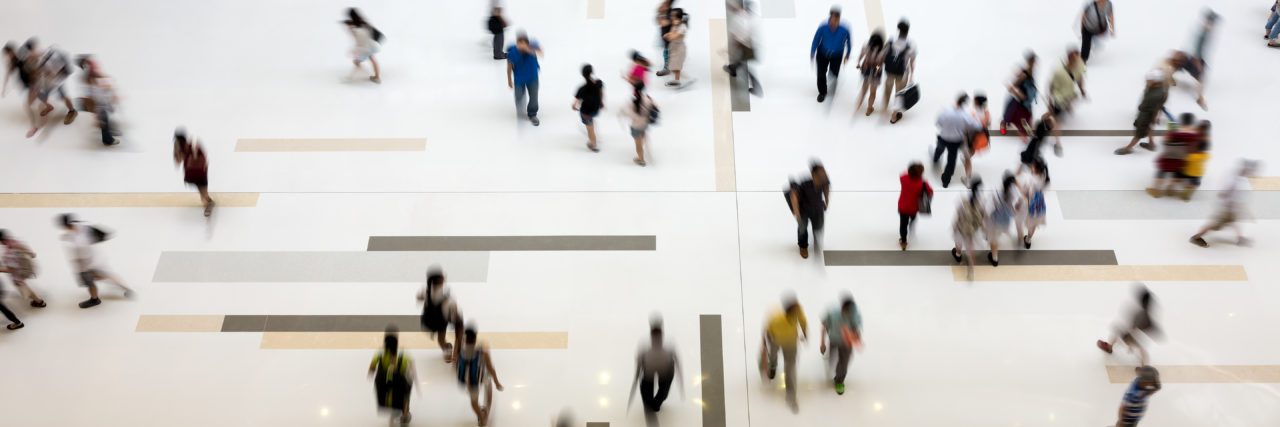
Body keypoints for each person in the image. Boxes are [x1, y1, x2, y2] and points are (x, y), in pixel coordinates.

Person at [58, 213, 133, 308]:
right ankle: (126, 289)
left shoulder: (77, 239)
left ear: (66, 226)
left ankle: (94, 299)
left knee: (91, 283)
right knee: (106, 276)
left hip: (87, 265)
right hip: (96, 260)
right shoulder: (83, 225)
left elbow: (80, 255)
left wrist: (80, 268)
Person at [627, 317, 684, 426]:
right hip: (649, 370)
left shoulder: (668, 345)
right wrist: (636, 378)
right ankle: (651, 411)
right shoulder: (645, 346)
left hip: (666, 370)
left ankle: (655, 404)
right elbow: (639, 362)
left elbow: (677, 361)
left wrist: (680, 381)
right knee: (648, 399)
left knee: (663, 393)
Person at [1190, 160, 1258, 248]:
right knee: (1214, 226)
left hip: (1231, 210)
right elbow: (1224, 194)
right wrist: (1231, 204)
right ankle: (1196, 238)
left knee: (1234, 223)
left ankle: (1240, 239)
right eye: (1251, 171)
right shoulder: (1234, 180)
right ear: (1246, 170)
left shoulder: (1240, 178)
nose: (1252, 173)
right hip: (1225, 210)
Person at [760, 295, 807, 412]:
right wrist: (764, 343)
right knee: (773, 356)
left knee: (790, 369)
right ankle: (772, 367)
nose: (796, 312)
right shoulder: (776, 318)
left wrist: (805, 334)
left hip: (791, 344)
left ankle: (791, 397)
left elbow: (803, 322)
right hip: (775, 340)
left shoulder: (798, 310)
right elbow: (767, 330)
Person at [1096, 285, 1160, 366]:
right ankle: (1109, 347)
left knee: (1141, 351)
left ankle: (1145, 369)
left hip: (1128, 332)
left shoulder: (1141, 312)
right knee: (1117, 334)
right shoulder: (1138, 310)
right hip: (1126, 330)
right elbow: (1129, 325)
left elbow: (1140, 326)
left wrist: (1130, 340)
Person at [27, 41, 79, 138]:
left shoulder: (50, 56)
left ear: (33, 50)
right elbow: (39, 69)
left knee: (64, 97)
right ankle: (49, 107)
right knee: (39, 93)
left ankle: (72, 111)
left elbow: (60, 70)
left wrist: (49, 74)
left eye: (30, 52)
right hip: (48, 81)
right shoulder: (40, 58)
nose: (30, 54)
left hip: (58, 82)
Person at [456, 326, 505, 427]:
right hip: (482, 376)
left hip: (469, 380)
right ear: (475, 339)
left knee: (474, 402)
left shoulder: (460, 349)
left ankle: (481, 419)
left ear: (465, 338)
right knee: (489, 387)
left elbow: (456, 362)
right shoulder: (482, 351)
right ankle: (486, 411)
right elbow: (491, 368)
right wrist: (497, 382)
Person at [933, 92, 983, 188]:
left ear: (956, 101)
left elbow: (938, 123)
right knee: (951, 161)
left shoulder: (945, 111)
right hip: (955, 141)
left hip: (943, 137)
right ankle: (945, 181)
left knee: (939, 148)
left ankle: (936, 158)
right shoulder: (966, 116)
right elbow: (977, 127)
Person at [1114, 71, 1170, 155]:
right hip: (1145, 111)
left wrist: (1154, 118)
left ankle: (1128, 147)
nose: (1146, 80)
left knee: (1139, 132)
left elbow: (1156, 109)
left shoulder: (1156, 94)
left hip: (1146, 115)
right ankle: (1151, 144)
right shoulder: (1153, 87)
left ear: (1155, 81)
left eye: (1149, 79)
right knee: (1149, 127)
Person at [369, 327, 416, 426]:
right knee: (405, 398)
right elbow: (411, 371)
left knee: (389, 394)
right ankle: (405, 417)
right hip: (400, 383)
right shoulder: (404, 355)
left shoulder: (379, 354)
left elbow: (371, 371)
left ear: (385, 343)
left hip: (385, 383)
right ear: (397, 343)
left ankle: (391, 407)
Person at [417, 265, 465, 363]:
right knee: (460, 325)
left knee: (441, 340)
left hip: (432, 321)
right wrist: (457, 318)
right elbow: (455, 314)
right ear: (440, 280)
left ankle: (447, 350)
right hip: (443, 319)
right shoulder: (448, 298)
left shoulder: (426, 291)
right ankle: (457, 352)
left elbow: (419, 297)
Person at [1145, 113, 1198, 198]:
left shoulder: (1174, 132)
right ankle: (1171, 190)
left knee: (1160, 175)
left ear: (1181, 121)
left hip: (1167, 159)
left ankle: (1156, 190)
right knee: (1177, 176)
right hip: (1181, 161)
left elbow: (1164, 140)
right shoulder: (1193, 135)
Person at [1046, 47, 1086, 155]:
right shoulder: (1058, 70)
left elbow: (1079, 77)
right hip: (1059, 97)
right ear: (1068, 57)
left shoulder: (1079, 64)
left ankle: (1059, 111)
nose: (1077, 60)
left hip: (1069, 94)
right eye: (1074, 57)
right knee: (1058, 121)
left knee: (1066, 105)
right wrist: (1049, 101)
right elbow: (1050, 86)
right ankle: (1057, 142)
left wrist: (1082, 89)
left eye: (1077, 57)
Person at [819, 294, 861, 395]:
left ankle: (839, 381)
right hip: (834, 340)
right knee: (831, 357)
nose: (848, 312)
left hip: (847, 343)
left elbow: (856, 329)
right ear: (842, 306)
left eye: (850, 310)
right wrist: (822, 343)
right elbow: (824, 326)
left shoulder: (854, 314)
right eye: (846, 310)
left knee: (844, 362)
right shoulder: (832, 312)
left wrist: (856, 338)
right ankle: (830, 361)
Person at [787, 162, 830, 259]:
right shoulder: (804, 183)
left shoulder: (824, 180)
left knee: (818, 227)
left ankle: (816, 243)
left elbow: (826, 189)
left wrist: (827, 201)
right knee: (802, 229)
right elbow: (794, 194)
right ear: (813, 173)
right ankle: (803, 246)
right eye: (820, 173)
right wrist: (796, 211)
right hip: (804, 210)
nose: (823, 175)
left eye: (823, 172)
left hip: (817, 208)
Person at [76, 55, 121, 146]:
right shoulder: (87, 82)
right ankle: (107, 139)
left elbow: (99, 75)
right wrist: (97, 118)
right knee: (103, 116)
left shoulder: (90, 74)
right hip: (86, 103)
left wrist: (109, 79)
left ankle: (108, 128)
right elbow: (90, 101)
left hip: (94, 100)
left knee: (109, 107)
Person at [810, 6, 852, 103]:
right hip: (822, 54)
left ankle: (833, 88)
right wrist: (812, 52)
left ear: (839, 18)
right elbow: (816, 39)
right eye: (833, 18)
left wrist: (848, 53)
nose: (834, 21)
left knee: (833, 75)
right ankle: (822, 92)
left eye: (837, 18)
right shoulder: (823, 27)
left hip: (837, 56)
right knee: (821, 74)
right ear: (830, 17)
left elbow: (849, 41)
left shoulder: (844, 29)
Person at [0, 230, 47, 307]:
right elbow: (32, 254)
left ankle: (39, 302)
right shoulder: (15, 241)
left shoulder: (8, 254)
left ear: (2, 241)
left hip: (17, 276)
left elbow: (11, 270)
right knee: (25, 287)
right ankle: (38, 300)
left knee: (25, 290)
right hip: (26, 268)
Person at [173, 129, 214, 217]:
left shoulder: (193, 146)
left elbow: (204, 160)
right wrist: (177, 154)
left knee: (203, 193)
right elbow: (178, 162)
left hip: (199, 173)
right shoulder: (181, 148)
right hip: (192, 174)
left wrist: (193, 158)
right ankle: (208, 201)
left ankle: (208, 203)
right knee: (201, 191)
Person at [724, 2, 762, 96]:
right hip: (751, 45)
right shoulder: (753, 18)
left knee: (746, 68)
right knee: (741, 62)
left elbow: (742, 34)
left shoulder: (743, 19)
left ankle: (757, 89)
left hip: (747, 46)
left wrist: (734, 44)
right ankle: (732, 69)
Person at [882, 19, 916, 124]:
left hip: (889, 71)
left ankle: (884, 111)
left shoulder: (891, 40)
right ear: (908, 30)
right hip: (902, 73)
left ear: (898, 29)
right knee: (899, 94)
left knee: (887, 91)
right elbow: (912, 61)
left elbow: (884, 54)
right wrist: (911, 75)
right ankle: (893, 116)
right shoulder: (911, 45)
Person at [952, 177, 986, 281]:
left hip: (962, 227)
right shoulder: (982, 200)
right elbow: (982, 215)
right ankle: (970, 270)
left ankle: (958, 255)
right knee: (970, 250)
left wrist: (955, 225)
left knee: (958, 241)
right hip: (972, 229)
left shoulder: (963, 199)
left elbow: (958, 215)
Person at [985, 172, 1022, 267]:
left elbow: (989, 208)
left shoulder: (996, 192)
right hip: (1006, 220)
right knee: (1003, 231)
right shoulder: (1014, 192)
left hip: (995, 221)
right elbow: (1019, 202)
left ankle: (994, 259)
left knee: (993, 240)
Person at [999, 52, 1037, 141]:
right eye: (1032, 61)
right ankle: (1024, 135)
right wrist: (1018, 94)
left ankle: (1026, 133)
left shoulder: (1031, 72)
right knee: (1018, 119)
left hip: (1026, 101)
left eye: (1034, 61)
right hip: (1019, 102)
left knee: (1025, 119)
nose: (1033, 64)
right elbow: (1013, 86)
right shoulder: (1024, 73)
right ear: (1028, 61)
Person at [507, 32, 543, 126]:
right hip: (519, 78)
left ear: (527, 43)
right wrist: (509, 80)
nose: (520, 46)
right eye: (519, 43)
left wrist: (528, 49)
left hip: (532, 77)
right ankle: (520, 109)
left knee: (533, 97)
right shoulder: (512, 51)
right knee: (518, 96)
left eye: (523, 43)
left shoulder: (533, 46)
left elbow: (540, 53)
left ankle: (532, 114)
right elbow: (509, 67)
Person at [1184, 10, 1216, 109]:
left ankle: (1200, 97)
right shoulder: (1202, 34)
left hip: (1195, 56)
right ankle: (1200, 98)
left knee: (1199, 77)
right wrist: (1198, 64)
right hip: (1195, 58)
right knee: (1201, 78)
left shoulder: (1203, 30)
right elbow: (1196, 49)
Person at [622, 81, 659, 166]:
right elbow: (656, 108)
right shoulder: (648, 99)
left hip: (635, 126)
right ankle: (644, 149)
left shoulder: (632, 102)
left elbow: (628, 114)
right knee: (642, 137)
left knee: (637, 144)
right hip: (645, 124)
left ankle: (641, 159)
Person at [897, 162, 932, 250]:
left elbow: (902, 174)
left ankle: (904, 241)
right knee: (913, 217)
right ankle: (912, 222)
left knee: (903, 225)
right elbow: (930, 191)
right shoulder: (922, 183)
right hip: (914, 208)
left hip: (903, 207)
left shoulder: (903, 178)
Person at [343, 8, 382, 84]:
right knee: (372, 59)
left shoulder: (354, 27)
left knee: (356, 62)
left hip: (364, 48)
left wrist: (349, 28)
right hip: (370, 45)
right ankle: (377, 77)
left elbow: (355, 37)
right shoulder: (363, 22)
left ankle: (352, 77)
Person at [1018, 157, 1050, 249]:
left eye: (1032, 166)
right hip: (1039, 205)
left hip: (1029, 205)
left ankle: (1020, 239)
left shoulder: (1030, 180)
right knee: (1033, 225)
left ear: (1035, 168)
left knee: (1023, 221)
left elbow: (1024, 193)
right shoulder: (1044, 178)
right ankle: (1028, 240)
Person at [573, 64, 605, 152]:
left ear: (583, 75)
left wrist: (575, 107)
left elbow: (574, 104)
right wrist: (601, 102)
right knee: (591, 124)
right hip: (596, 109)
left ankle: (594, 145)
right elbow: (601, 93)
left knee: (590, 129)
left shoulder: (582, 89)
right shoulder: (599, 83)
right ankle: (592, 126)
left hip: (586, 113)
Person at [853, 31, 885, 116]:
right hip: (876, 74)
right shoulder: (882, 50)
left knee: (863, 91)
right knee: (873, 92)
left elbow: (861, 55)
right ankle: (869, 109)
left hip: (866, 71)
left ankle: (857, 107)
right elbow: (881, 64)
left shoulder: (866, 46)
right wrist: (877, 67)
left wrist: (859, 63)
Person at [962, 92, 991, 185]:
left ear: (977, 102)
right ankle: (968, 159)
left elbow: (978, 124)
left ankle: (968, 178)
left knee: (967, 156)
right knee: (970, 152)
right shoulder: (986, 111)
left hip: (973, 136)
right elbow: (987, 123)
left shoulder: (974, 112)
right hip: (979, 135)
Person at [1178, 121, 1211, 201]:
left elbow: (1203, 156)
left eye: (1202, 128)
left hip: (1193, 171)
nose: (1199, 129)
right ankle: (1187, 193)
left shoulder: (1203, 141)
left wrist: (1188, 157)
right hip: (1194, 170)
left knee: (1191, 183)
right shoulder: (1205, 154)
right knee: (1191, 183)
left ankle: (1187, 194)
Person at [661, 9, 691, 88]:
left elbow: (672, 37)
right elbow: (671, 34)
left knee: (674, 67)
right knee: (674, 67)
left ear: (678, 17)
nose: (671, 17)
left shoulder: (682, 27)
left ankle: (685, 79)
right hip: (673, 48)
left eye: (672, 15)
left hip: (679, 49)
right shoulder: (676, 25)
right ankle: (678, 80)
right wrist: (668, 34)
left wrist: (673, 28)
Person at [655, 0, 677, 77]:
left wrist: (661, 14)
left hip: (670, 41)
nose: (661, 4)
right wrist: (660, 13)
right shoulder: (663, 13)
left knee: (670, 55)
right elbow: (658, 22)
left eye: (663, 3)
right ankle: (667, 69)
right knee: (666, 54)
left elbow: (664, 23)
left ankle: (671, 72)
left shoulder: (671, 13)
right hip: (666, 41)